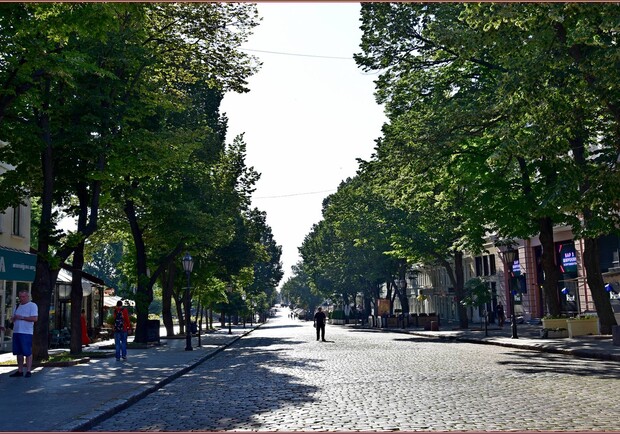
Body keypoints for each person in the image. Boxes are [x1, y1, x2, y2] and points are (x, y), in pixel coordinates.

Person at [9, 289, 38, 378]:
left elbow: (34, 318)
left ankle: (28, 370)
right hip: (17, 331)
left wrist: (22, 318)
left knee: (27, 351)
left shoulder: (32, 305)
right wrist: (13, 318)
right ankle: (20, 370)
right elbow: (13, 319)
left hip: (26, 332)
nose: (22, 298)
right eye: (20, 297)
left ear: (28, 296)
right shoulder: (17, 306)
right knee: (19, 352)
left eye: (24, 297)